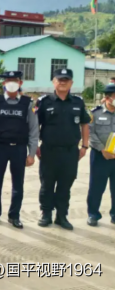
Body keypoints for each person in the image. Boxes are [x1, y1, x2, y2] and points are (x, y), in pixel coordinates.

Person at [36, 68, 90, 230]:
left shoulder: (78, 102)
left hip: (70, 152)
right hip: (49, 150)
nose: (63, 82)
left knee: (65, 185)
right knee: (47, 184)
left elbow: (85, 124)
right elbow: (35, 125)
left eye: (66, 80)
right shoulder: (44, 101)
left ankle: (61, 216)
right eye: (59, 79)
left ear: (71, 83)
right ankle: (46, 214)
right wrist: (35, 146)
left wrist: (85, 146)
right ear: (54, 82)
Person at [0, 71, 39, 229]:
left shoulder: (28, 103)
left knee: (18, 184)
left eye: (15, 80)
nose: (11, 83)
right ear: (4, 83)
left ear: (20, 83)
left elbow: (33, 130)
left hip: (19, 148)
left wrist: (31, 153)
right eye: (8, 80)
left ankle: (14, 215)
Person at [87, 84, 115, 227]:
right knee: (96, 187)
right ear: (108, 97)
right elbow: (90, 133)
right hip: (100, 156)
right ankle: (93, 214)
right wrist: (103, 149)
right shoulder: (95, 113)